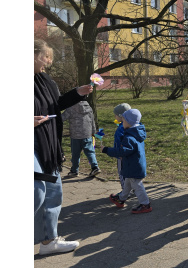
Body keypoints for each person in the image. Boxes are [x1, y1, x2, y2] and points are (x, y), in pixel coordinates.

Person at [34, 39, 93, 255]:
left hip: (49, 143)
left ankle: (49, 241)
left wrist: (77, 93)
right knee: (35, 190)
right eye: (46, 57)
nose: (49, 62)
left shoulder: (45, 80)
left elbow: (56, 105)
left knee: (53, 191)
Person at [103, 109, 152, 214]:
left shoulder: (130, 137)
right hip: (134, 164)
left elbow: (122, 151)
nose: (122, 122)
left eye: (123, 120)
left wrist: (107, 150)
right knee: (128, 183)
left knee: (137, 185)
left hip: (133, 166)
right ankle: (121, 199)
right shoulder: (137, 133)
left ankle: (145, 204)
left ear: (129, 122)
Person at [62, 100, 101, 177]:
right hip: (87, 134)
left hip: (75, 135)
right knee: (90, 152)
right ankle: (95, 167)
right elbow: (92, 119)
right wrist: (93, 131)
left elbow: (62, 118)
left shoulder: (71, 107)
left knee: (75, 154)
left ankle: (74, 170)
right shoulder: (88, 106)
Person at [112, 103, 133, 198]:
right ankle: (132, 189)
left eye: (116, 115)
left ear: (121, 116)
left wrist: (118, 152)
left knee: (122, 173)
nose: (115, 116)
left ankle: (125, 191)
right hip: (130, 154)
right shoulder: (132, 125)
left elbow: (119, 141)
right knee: (130, 173)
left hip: (121, 155)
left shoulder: (121, 128)